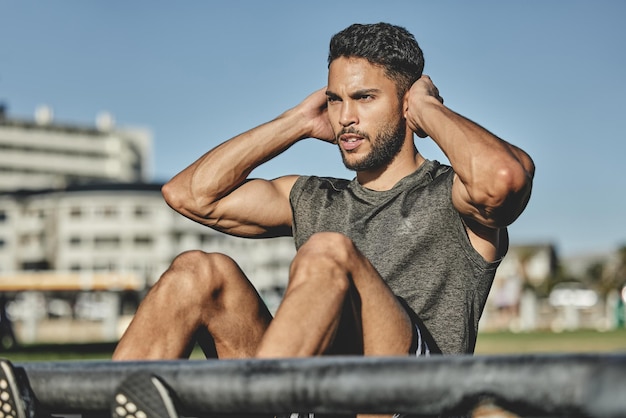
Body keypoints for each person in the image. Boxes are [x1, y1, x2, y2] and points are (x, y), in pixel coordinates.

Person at [111, 21, 534, 416]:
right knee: (198, 272)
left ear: (406, 104)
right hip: (311, 398)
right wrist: (294, 122)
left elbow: (503, 179)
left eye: (364, 98)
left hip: (415, 395)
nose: (345, 117)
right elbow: (189, 195)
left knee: (328, 252)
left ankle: (267, 398)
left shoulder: (454, 193)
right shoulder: (315, 197)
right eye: (335, 100)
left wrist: (426, 109)